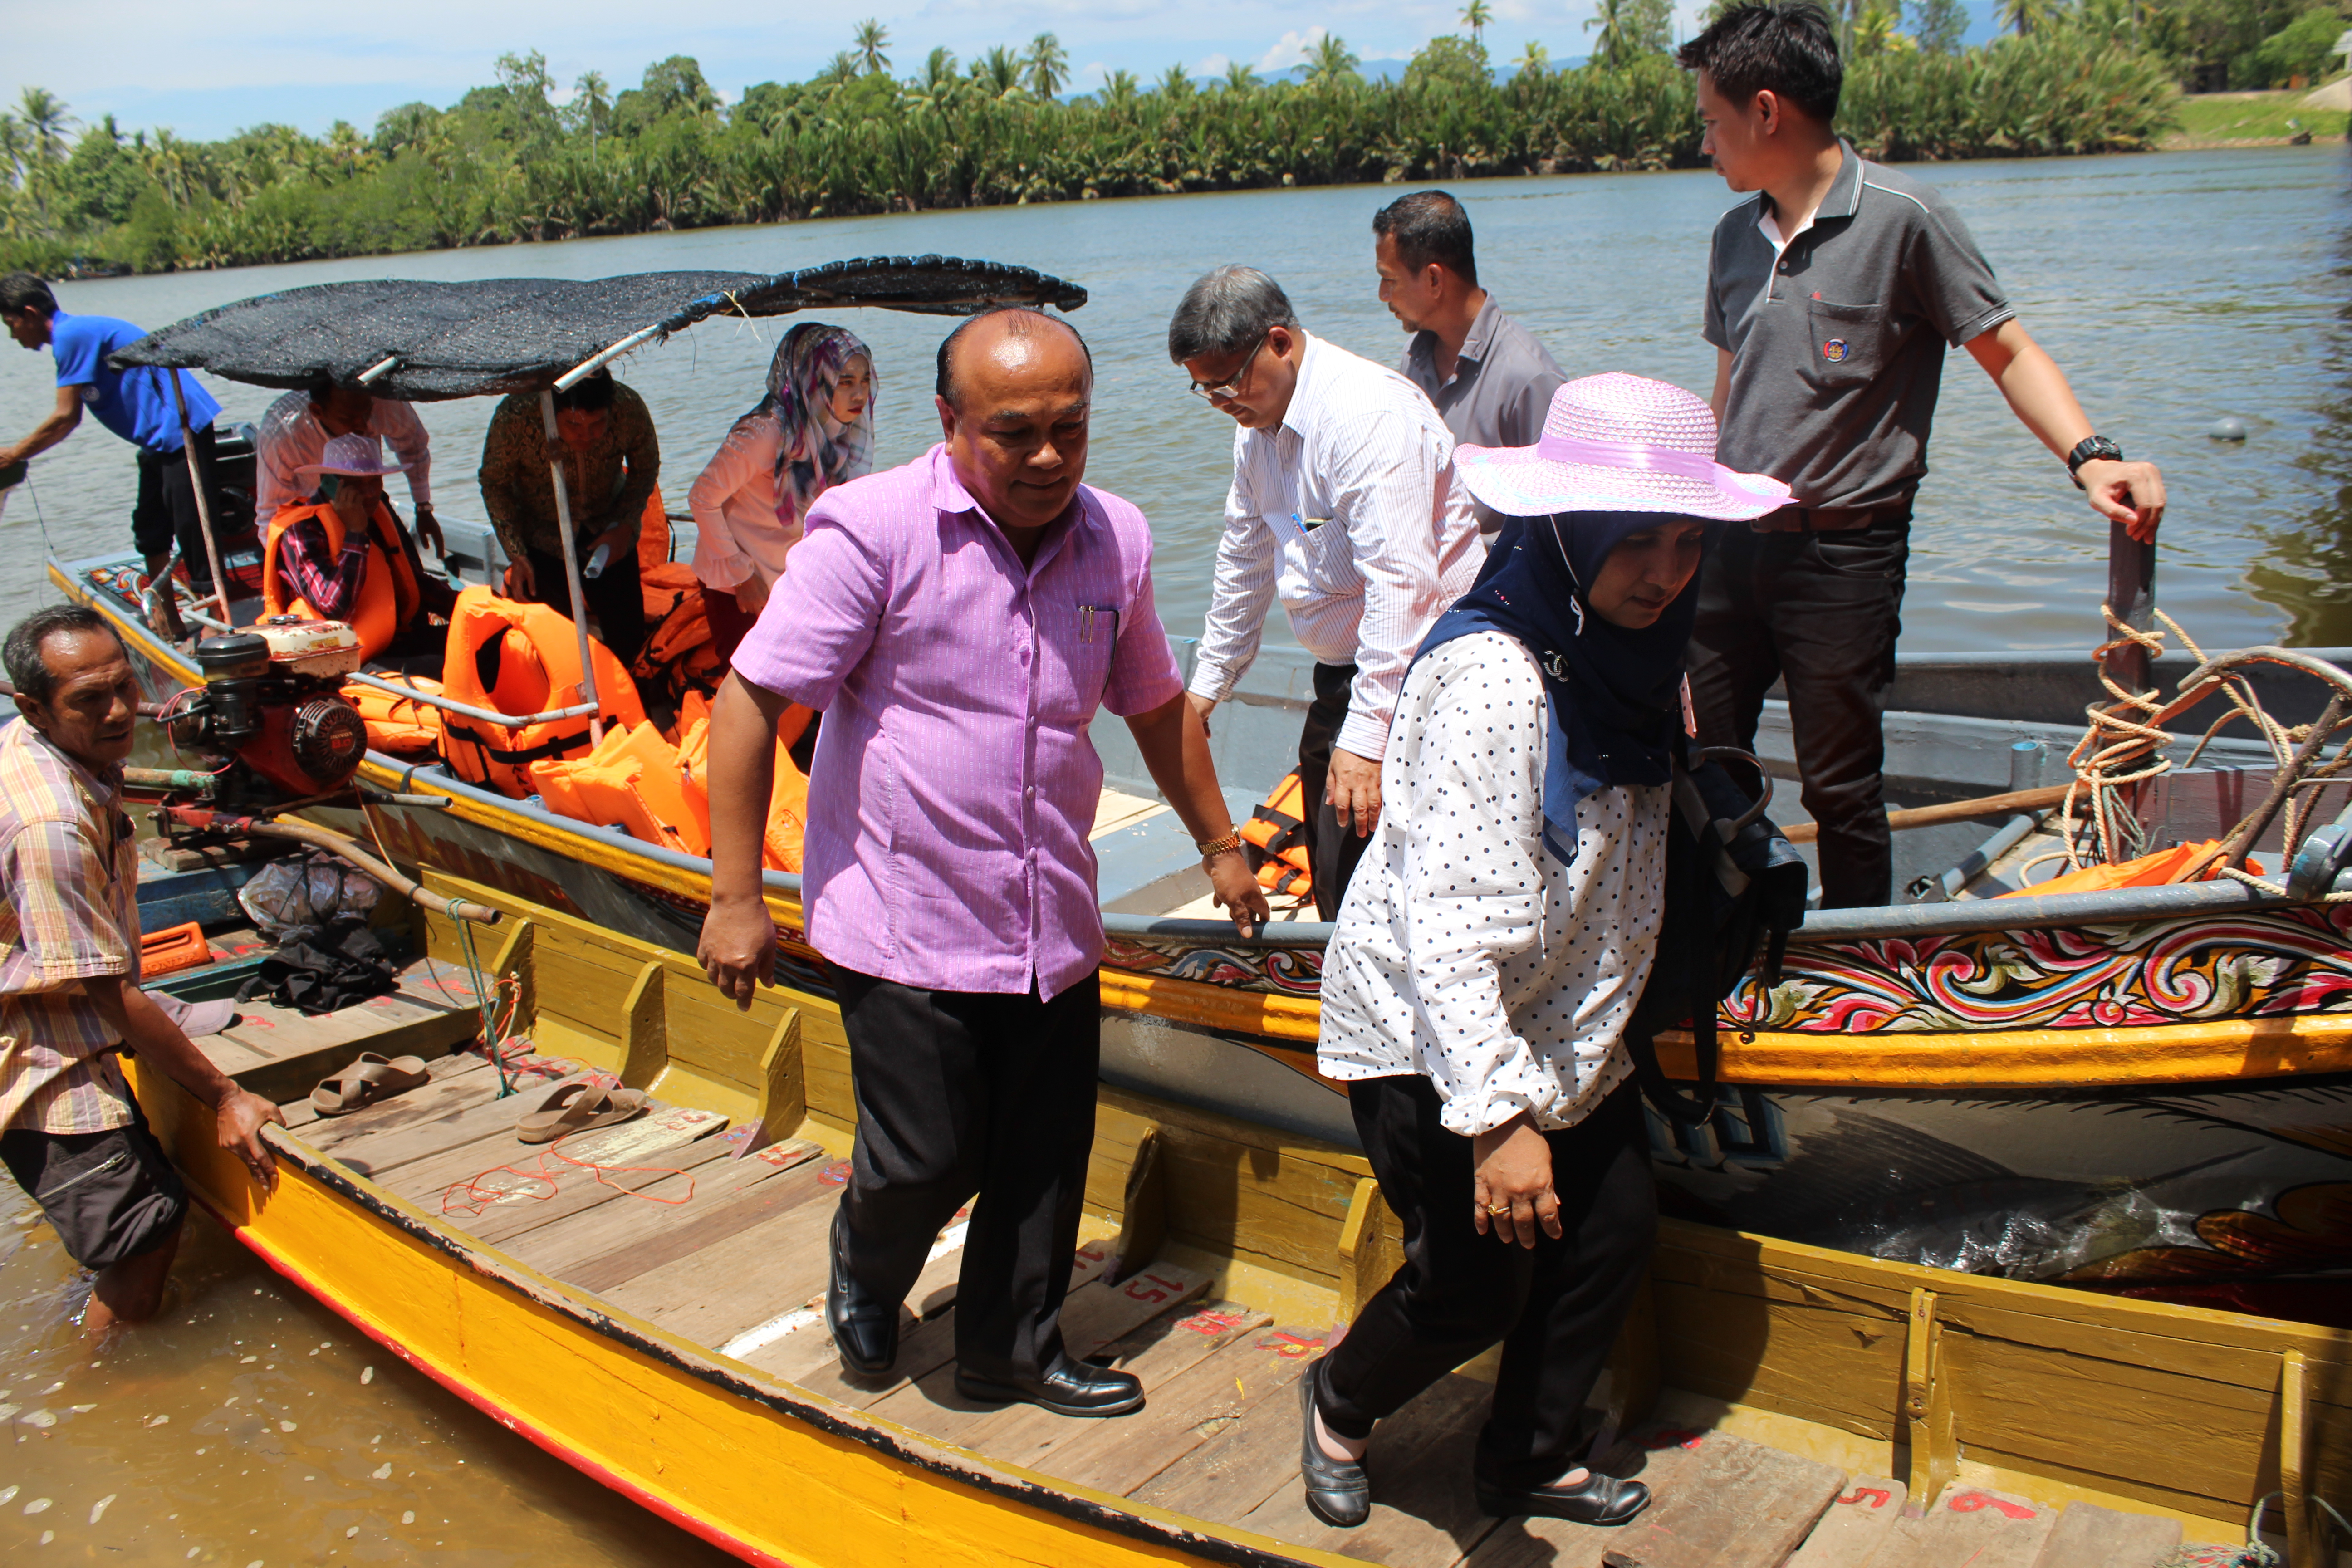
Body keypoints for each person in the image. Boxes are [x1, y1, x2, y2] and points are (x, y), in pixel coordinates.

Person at [696, 308, 1269, 1416]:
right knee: (927, 1154)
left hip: (1048, 909)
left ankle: (1015, 1344)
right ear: (951, 422)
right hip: (903, 914)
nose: (1049, 457)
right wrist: (733, 896)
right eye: (1015, 433)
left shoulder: (1118, 539)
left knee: (1044, 1151)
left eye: (1071, 428)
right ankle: (866, 1263)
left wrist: (1221, 846)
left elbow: (1155, 709)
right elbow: (748, 702)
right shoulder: (870, 532)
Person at [1303, 374, 1788, 1530]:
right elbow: (1452, 929)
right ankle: (1337, 1399)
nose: (1663, 571)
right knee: (1472, 1281)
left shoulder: (1632, 657)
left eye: (1685, 542)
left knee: (1611, 1222)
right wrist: (1500, 1121)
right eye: (1634, 541)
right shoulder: (1494, 679)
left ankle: (1524, 1453)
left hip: (1565, 1011)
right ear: (1565, 533)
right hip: (1431, 1024)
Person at [1679, 2, 2166, 908]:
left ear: (1767, 111)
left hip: (1842, 554)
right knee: (1705, 761)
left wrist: (2090, 454)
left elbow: (2007, 350)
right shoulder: (1731, 237)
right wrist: (1685, 518)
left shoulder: (1907, 220)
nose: (1705, 142)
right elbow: (1729, 391)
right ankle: (1728, 944)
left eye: (1712, 120)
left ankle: (1861, 966)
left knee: (1839, 784)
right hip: (1728, 544)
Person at [1171, 265, 1485, 921]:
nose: (1221, 402)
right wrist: (1207, 689)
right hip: (1346, 674)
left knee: (1396, 879)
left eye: (1227, 384)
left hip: (1434, 672)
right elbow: (1245, 562)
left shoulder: (1363, 418)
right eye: (1204, 391)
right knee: (1338, 872)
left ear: (1279, 342)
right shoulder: (1256, 430)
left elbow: (1404, 587)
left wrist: (1368, 738)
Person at [0, 606, 284, 1333]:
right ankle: (116, 1386)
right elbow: (107, 992)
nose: (120, 711)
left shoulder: (52, 753)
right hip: (36, 1048)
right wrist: (225, 1096)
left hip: (59, 999)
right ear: (32, 707)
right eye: (89, 701)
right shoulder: (52, 825)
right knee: (144, 1234)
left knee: (135, 1216)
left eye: (125, 687)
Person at [0, 274, 234, 594]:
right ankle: (167, 617)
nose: (13, 336)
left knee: (194, 526)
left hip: (180, 430)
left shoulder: (70, 336)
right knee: (149, 528)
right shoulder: (72, 336)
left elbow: (66, 417)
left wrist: (14, 454)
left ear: (30, 313)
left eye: (11, 324)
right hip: (156, 440)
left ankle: (218, 620)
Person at [1374, 190, 1566, 546]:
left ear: (1434, 280)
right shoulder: (1413, 359)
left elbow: (1562, 523)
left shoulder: (1530, 378)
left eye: (1390, 280)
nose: (1383, 295)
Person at [688, 323, 875, 663]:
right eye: (845, 382)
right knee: (746, 685)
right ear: (811, 381)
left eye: (864, 380)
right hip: (739, 583)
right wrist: (742, 577)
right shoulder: (764, 433)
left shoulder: (834, 427)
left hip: (789, 574)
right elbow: (702, 497)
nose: (860, 395)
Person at [477, 368, 660, 667]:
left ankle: (634, 702)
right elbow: (494, 482)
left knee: (628, 639)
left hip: (609, 531)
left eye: (599, 423)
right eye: (574, 425)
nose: (587, 435)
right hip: (544, 536)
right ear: (551, 410)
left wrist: (626, 524)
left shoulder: (627, 405)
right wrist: (516, 552)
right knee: (556, 644)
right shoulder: (517, 415)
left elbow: (646, 465)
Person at [262, 433, 459, 661]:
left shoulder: (377, 511)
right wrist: (355, 533)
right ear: (329, 482)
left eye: (375, 481)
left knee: (486, 639)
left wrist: (463, 606)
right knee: (435, 666)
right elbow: (334, 609)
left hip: (396, 639)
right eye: (355, 484)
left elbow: (411, 582)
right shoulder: (301, 529)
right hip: (340, 656)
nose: (370, 493)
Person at [254, 382, 442, 557]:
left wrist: (423, 508)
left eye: (367, 414)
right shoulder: (282, 435)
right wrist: (289, 569)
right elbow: (271, 515)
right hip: (312, 514)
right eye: (348, 419)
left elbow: (414, 447)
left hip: (370, 505)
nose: (361, 426)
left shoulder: (383, 401)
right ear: (317, 411)